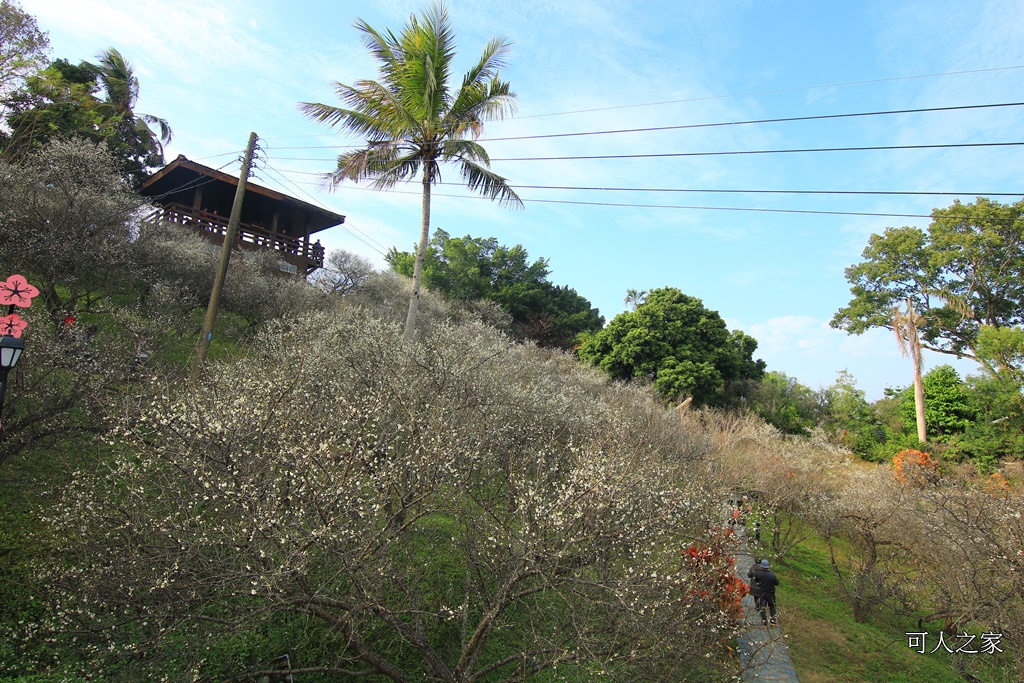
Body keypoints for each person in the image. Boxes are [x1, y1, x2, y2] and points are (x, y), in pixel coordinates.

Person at [747, 558, 780, 627]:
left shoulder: (758, 574)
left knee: (763, 607)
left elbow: (755, 579)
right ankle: (773, 621)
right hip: (770, 593)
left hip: (762, 593)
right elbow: (776, 583)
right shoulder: (772, 575)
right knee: (772, 606)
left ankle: (764, 622)